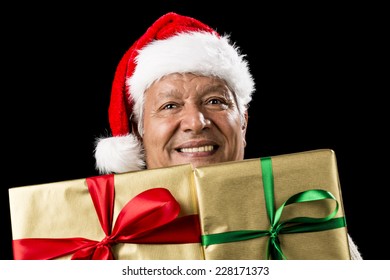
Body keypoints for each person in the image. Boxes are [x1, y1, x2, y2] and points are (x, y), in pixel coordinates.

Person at [93, 12, 362, 260]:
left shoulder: (308, 222)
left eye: (214, 101)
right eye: (170, 106)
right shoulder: (100, 244)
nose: (196, 123)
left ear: (243, 123)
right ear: (138, 133)